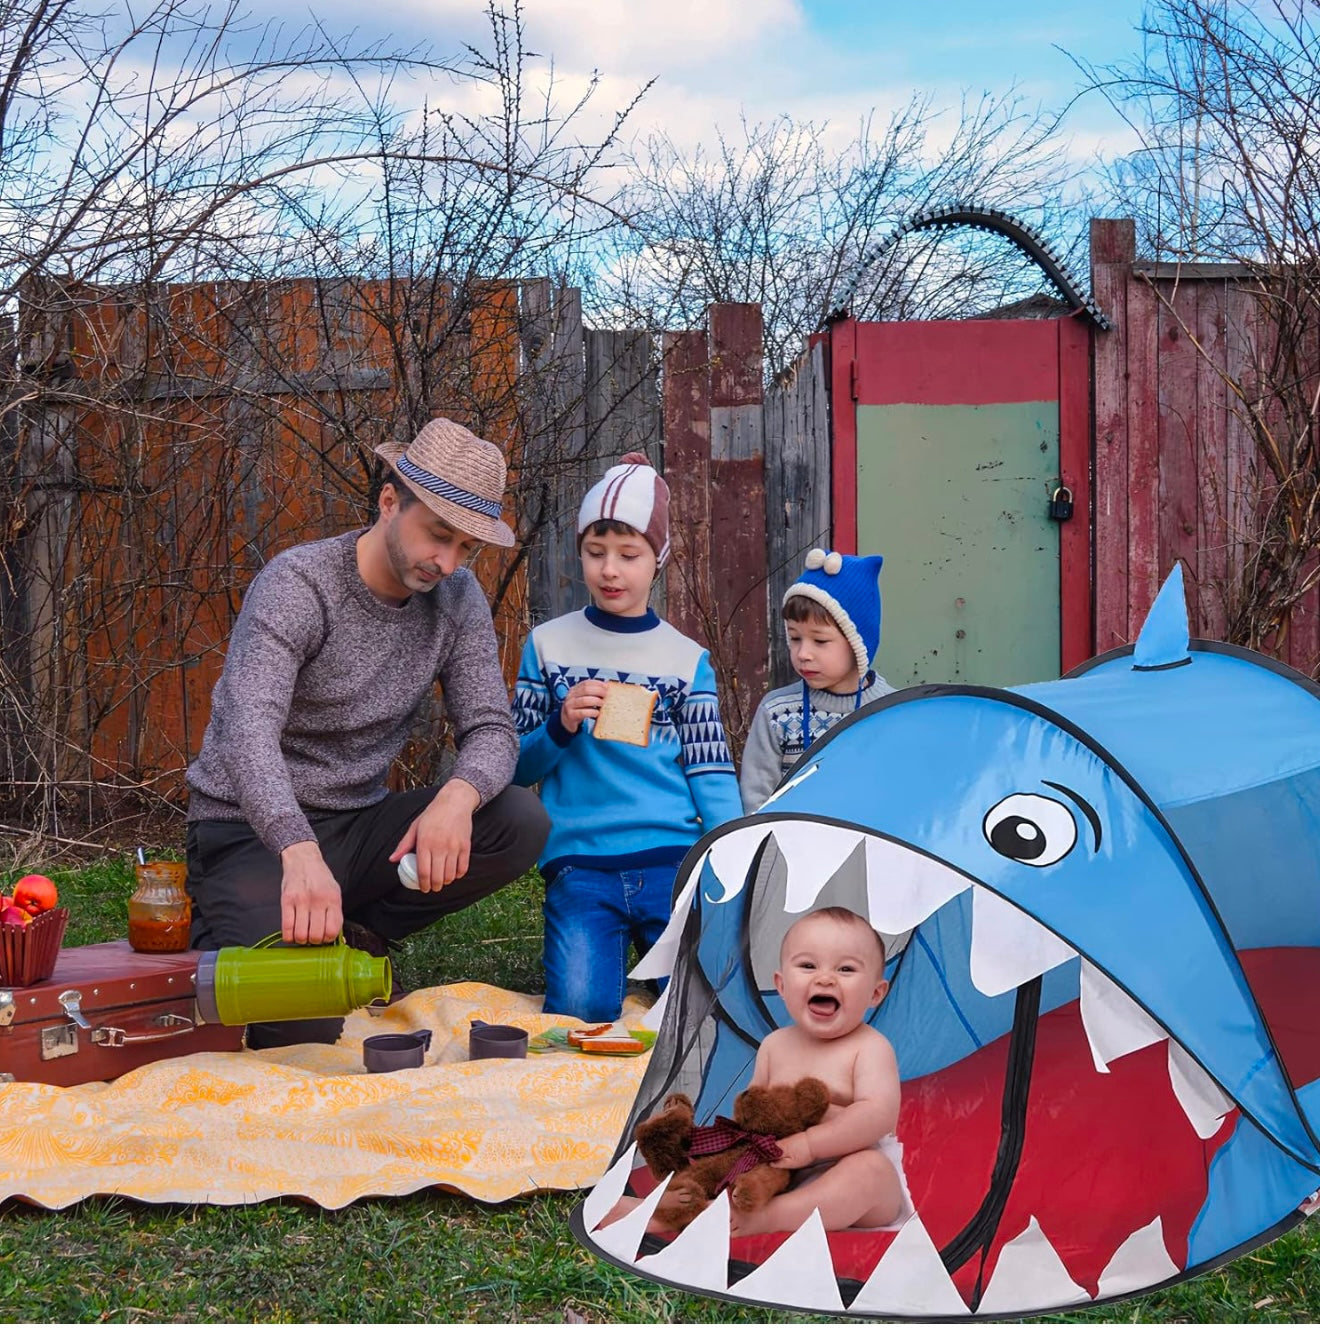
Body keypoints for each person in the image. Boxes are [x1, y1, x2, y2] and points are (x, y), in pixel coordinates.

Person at [184, 417, 550, 1048]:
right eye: (438, 536)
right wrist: (296, 852)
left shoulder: (456, 598)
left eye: (467, 547)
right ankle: (237, 919)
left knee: (518, 819)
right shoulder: (300, 585)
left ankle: (354, 927)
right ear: (388, 503)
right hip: (249, 832)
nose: (449, 562)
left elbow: (492, 727)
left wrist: (456, 800)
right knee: (301, 1027)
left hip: (358, 829)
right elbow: (248, 731)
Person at [512, 452, 742, 1023]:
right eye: (595, 553)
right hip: (581, 864)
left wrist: (730, 861)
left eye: (628, 555)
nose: (610, 570)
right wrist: (560, 726)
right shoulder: (547, 646)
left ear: (656, 561)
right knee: (582, 1011)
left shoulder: (687, 662)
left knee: (703, 1014)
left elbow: (709, 772)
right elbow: (515, 767)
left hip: (671, 862)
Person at [727, 905, 905, 1236]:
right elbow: (752, 1109)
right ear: (781, 985)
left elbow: (878, 1115)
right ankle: (664, 1210)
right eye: (808, 966)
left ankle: (773, 1218)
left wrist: (810, 1144)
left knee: (871, 1172)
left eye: (846, 969)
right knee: (723, 1167)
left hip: (849, 1177)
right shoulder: (773, 1045)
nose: (825, 978)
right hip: (779, 1172)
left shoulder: (870, 1047)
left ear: (875, 993)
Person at [739, 549, 893, 813]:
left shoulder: (892, 711)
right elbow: (757, 801)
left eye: (820, 641)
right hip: (789, 849)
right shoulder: (777, 713)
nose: (803, 654)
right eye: (795, 638)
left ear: (859, 644)